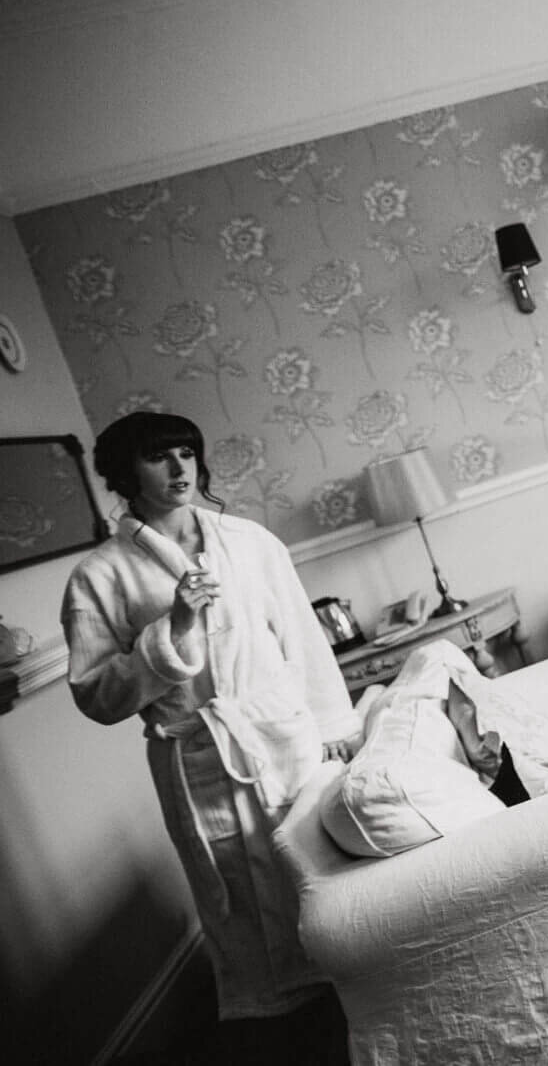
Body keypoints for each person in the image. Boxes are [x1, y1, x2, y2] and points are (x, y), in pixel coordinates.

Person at [62, 411, 359, 1018]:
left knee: (319, 869)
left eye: (186, 454)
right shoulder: (99, 575)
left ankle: (354, 978)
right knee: (239, 893)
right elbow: (96, 696)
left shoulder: (249, 542)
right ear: (125, 472)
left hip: (282, 735)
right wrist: (171, 630)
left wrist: (333, 728)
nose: (179, 469)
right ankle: (279, 1016)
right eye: (158, 457)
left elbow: (301, 637)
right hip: (199, 757)